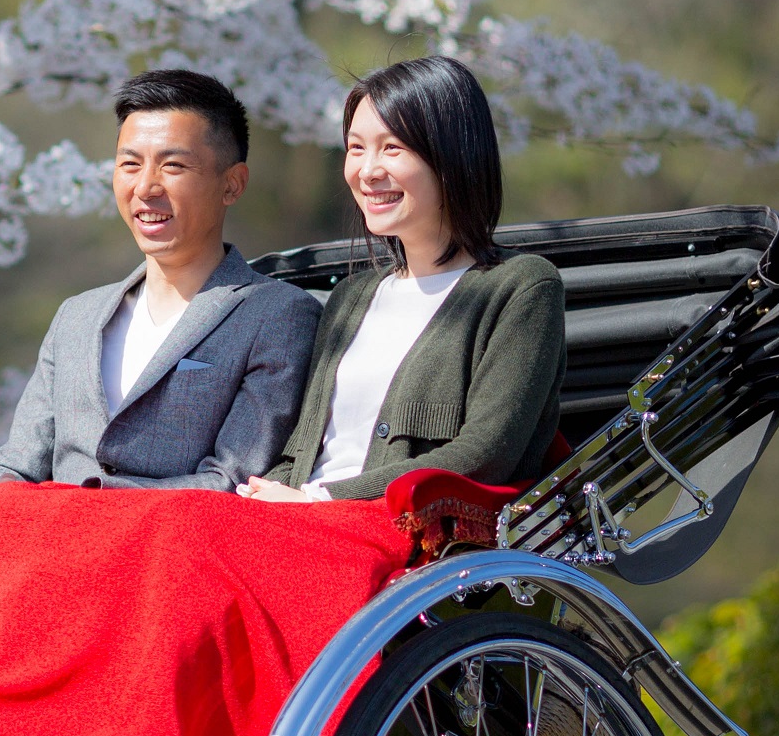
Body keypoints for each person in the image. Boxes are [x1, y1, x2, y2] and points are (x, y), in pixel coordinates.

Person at [240, 55, 565, 503]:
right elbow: (303, 451)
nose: (368, 171)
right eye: (357, 148)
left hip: (407, 532)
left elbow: (486, 453)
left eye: (392, 148)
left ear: (453, 156)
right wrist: (260, 497)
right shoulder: (351, 298)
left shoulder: (520, 288)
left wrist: (325, 500)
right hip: (302, 518)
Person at [0, 69, 319, 490]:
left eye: (173, 165)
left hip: (174, 548)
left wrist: (91, 504)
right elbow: (18, 465)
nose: (145, 187)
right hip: (52, 547)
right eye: (129, 164)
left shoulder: (277, 314)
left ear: (232, 184)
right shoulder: (77, 316)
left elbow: (230, 481)